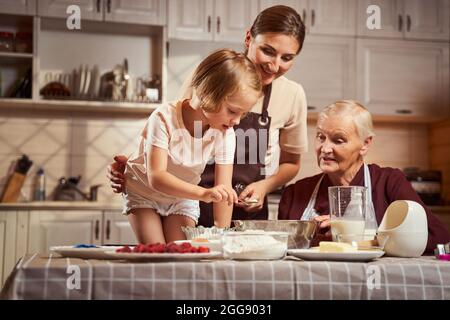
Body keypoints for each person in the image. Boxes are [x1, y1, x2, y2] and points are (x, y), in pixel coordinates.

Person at [108, 5, 309, 227]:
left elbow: (291, 162)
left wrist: (264, 187)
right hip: (189, 200)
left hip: (244, 211)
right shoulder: (210, 79)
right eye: (268, 51)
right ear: (248, 38)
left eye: (287, 57)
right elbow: (176, 131)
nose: (275, 65)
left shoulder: (292, 94)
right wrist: (136, 166)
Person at [122, 49, 261, 244]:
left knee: (180, 253)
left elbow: (224, 189)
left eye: (243, 114)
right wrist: (204, 194)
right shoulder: (163, 117)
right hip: (144, 193)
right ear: (207, 92)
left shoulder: (225, 133)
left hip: (181, 199)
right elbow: (157, 177)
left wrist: (221, 234)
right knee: (156, 252)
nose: (237, 121)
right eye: (232, 111)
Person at [278, 100, 450, 253]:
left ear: (365, 144)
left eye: (338, 140)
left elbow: (439, 237)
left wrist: (363, 239)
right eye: (321, 137)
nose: (325, 148)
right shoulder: (295, 193)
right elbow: (281, 248)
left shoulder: (389, 183)